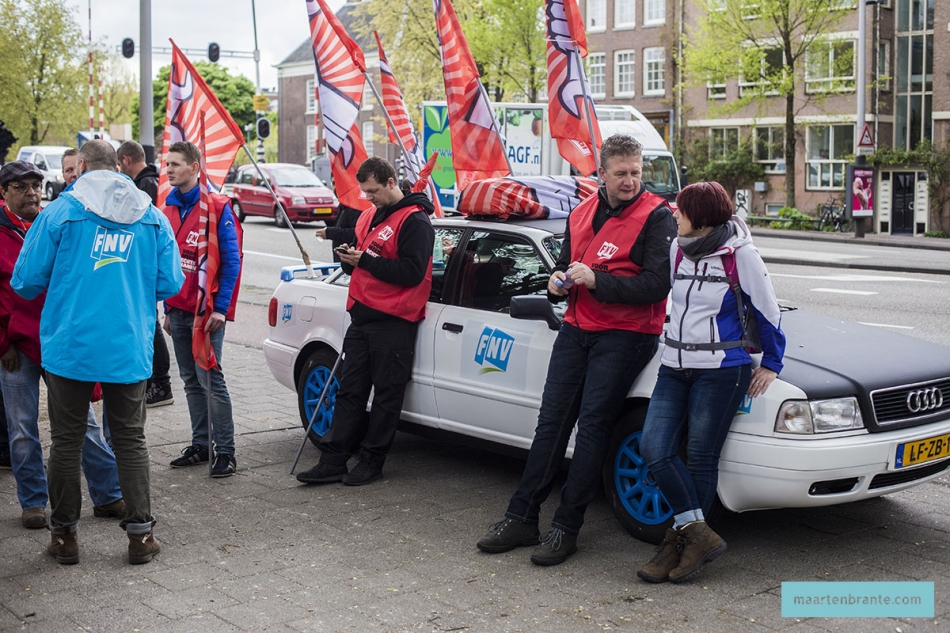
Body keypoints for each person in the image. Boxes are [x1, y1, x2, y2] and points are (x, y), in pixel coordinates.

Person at [476, 134, 677, 566]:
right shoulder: (581, 212)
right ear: (600, 174)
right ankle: (521, 517)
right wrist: (555, 282)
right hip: (576, 327)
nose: (630, 181)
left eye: (636, 172)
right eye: (621, 173)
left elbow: (658, 285)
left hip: (627, 334)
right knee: (550, 424)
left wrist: (596, 281)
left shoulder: (658, 216)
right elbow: (566, 267)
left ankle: (566, 527)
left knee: (592, 429)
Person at [11, 142, 183, 564]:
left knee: (66, 441)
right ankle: (141, 536)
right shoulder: (152, 216)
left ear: (82, 166)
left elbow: (26, 280)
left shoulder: (59, 212)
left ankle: (65, 537)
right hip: (127, 342)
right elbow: (171, 282)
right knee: (131, 439)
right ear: (120, 166)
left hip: (71, 343)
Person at [636, 181, 785, 584]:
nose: (674, 215)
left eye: (681, 210)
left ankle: (677, 543)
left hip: (721, 369)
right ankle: (697, 533)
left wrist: (772, 362)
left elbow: (768, 309)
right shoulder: (676, 249)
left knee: (701, 457)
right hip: (673, 364)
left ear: (700, 218)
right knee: (654, 448)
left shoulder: (740, 255)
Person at [296, 157, 434, 486]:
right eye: (364, 191)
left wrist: (366, 260)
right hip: (362, 315)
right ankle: (333, 459)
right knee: (350, 390)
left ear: (390, 183)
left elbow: (413, 273)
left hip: (394, 320)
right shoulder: (372, 215)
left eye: (372, 190)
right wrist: (350, 258)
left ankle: (372, 461)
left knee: (387, 395)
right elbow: (364, 263)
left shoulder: (416, 221)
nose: (368, 197)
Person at [162, 141, 242, 478]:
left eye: (176, 164)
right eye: (167, 164)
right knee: (189, 380)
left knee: (210, 379)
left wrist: (220, 309)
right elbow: (164, 262)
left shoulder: (217, 207)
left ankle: (225, 451)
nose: (169, 170)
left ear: (195, 167)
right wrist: (167, 307)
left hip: (205, 313)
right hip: (178, 311)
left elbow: (232, 262)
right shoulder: (165, 208)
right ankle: (200, 443)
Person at [117, 140, 173, 408]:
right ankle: (155, 382)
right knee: (149, 324)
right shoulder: (148, 182)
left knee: (151, 326)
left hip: (146, 267)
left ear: (126, 160)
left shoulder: (146, 185)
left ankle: (161, 384)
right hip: (144, 267)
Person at [316, 193, 361, 263]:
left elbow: (357, 233)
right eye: (333, 183)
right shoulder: (343, 205)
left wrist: (330, 233)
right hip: (340, 260)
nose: (335, 187)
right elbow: (339, 225)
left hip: (350, 261)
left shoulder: (356, 206)